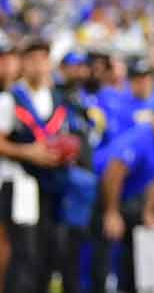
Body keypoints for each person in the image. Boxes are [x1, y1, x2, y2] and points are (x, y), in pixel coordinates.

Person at [9, 39, 85, 293]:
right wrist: (27, 153)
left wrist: (68, 149)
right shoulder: (11, 97)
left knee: (53, 249)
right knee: (24, 252)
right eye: (32, 59)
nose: (38, 65)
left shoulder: (58, 98)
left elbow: (74, 134)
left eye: (43, 59)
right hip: (21, 182)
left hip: (56, 182)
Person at [94, 98, 154, 293]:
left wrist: (148, 211)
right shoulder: (140, 138)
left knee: (138, 241)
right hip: (101, 190)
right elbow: (113, 174)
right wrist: (111, 213)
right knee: (105, 243)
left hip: (131, 194)